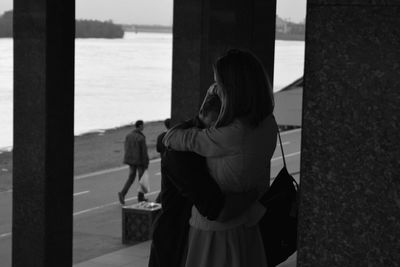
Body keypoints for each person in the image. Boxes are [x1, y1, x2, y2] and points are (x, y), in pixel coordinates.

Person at [163, 49, 277, 267]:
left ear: (232, 90)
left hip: (216, 235)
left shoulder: (232, 133)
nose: (215, 90)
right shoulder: (267, 123)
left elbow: (177, 139)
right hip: (247, 228)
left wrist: (193, 123)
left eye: (219, 85)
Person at [118, 120, 149, 204]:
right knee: (142, 179)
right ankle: (140, 197)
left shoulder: (128, 135)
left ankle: (122, 193)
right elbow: (144, 152)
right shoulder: (141, 138)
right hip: (139, 161)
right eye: (143, 125)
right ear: (139, 126)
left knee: (131, 178)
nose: (143, 127)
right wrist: (146, 163)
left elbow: (126, 148)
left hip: (131, 160)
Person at [154, 118, 171, 203]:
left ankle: (160, 200)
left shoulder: (160, 136)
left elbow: (158, 149)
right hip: (171, 161)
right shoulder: (173, 135)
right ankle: (159, 201)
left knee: (164, 182)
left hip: (163, 161)